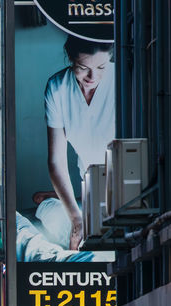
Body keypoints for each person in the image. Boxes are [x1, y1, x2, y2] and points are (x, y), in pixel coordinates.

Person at [45, 38, 115, 253]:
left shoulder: (121, 79)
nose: (92, 77)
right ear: (70, 59)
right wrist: (76, 219)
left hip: (126, 178)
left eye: (101, 67)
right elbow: (56, 160)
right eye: (83, 68)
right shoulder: (57, 88)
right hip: (90, 181)